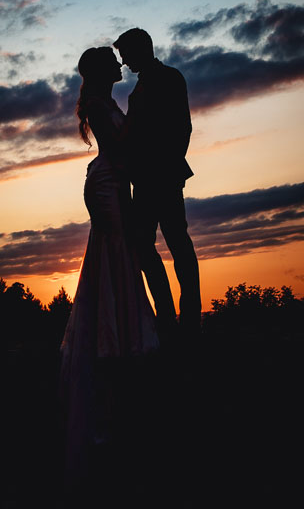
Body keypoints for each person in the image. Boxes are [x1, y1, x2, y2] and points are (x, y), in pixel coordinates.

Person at [59, 46, 159, 488]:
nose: (121, 65)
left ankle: (121, 332)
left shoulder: (109, 103)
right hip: (108, 186)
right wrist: (139, 113)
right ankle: (112, 337)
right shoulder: (100, 106)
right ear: (102, 72)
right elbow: (119, 148)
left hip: (115, 184)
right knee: (115, 253)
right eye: (113, 62)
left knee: (122, 255)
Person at [113, 28, 201, 342]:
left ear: (139, 50)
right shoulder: (141, 86)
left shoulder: (169, 78)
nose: (123, 62)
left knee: (177, 243)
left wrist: (167, 164)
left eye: (125, 55)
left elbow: (183, 127)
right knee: (144, 244)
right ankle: (166, 313)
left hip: (161, 176)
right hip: (145, 178)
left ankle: (187, 317)